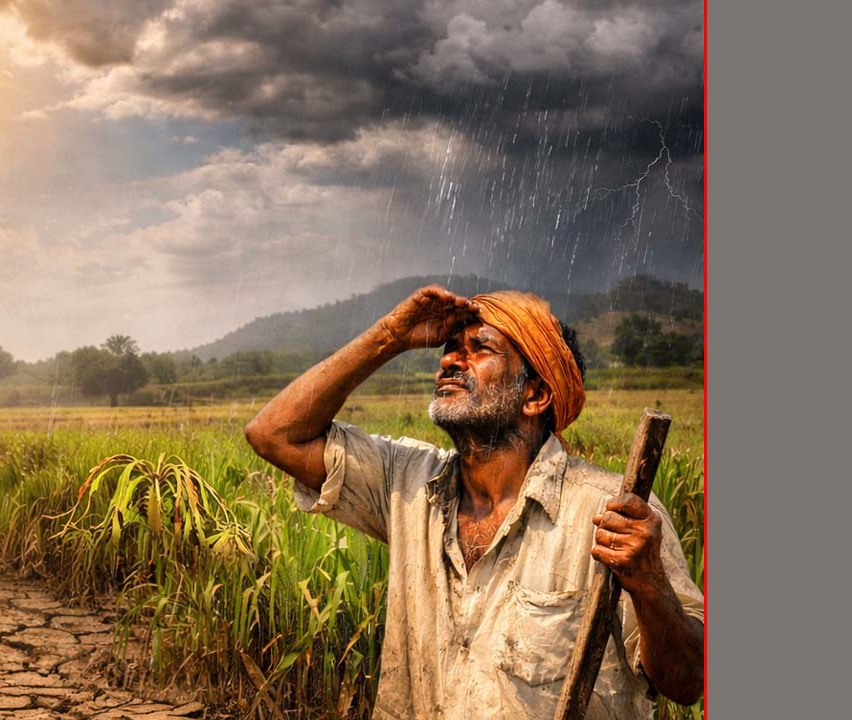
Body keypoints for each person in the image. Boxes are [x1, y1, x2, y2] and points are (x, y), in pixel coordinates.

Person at [244, 285, 704, 719]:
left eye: (479, 348)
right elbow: (273, 434)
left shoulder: (609, 513)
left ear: (535, 395)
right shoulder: (408, 484)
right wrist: (390, 337)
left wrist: (649, 584)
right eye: (449, 348)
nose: (450, 361)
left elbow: (688, 681)